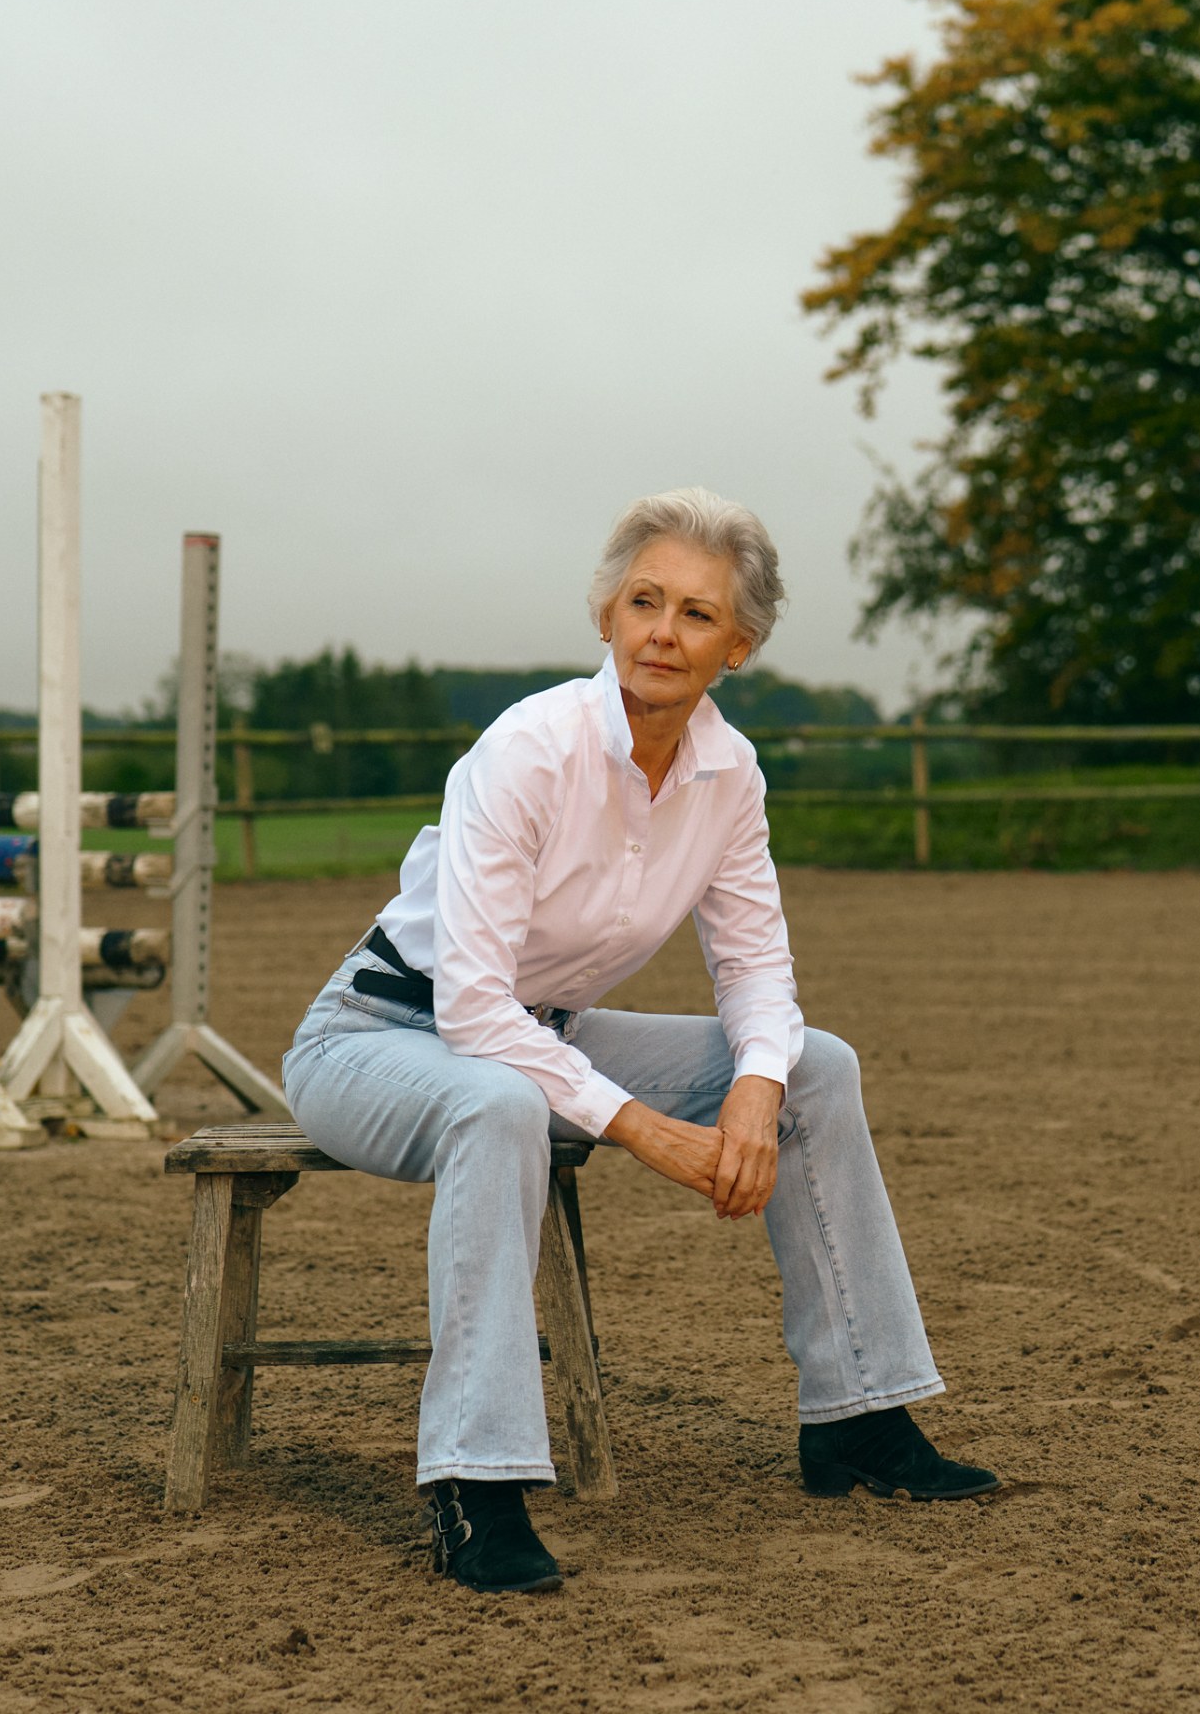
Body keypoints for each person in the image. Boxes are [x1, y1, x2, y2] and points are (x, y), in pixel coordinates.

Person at [280, 488, 998, 1595]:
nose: (663, 631)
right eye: (643, 601)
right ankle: (476, 1484)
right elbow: (473, 1013)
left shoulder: (729, 774)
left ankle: (857, 1417)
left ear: (738, 646)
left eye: (696, 614)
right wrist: (649, 1133)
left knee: (816, 1064)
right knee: (499, 1101)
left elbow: (757, 969)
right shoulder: (527, 750)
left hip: (544, 1032)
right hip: (376, 1034)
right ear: (607, 616)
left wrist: (754, 1090)